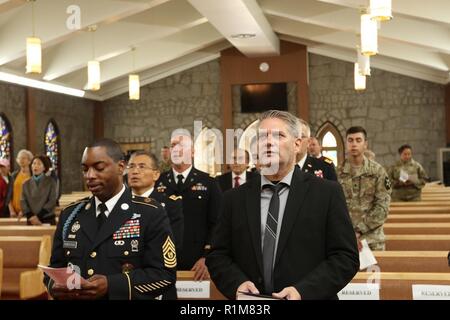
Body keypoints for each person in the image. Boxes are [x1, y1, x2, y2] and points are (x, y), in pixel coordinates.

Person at [206, 110, 359, 300]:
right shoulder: (233, 198)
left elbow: (345, 258)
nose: (268, 142)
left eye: (279, 135)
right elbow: (218, 256)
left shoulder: (326, 193)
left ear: (297, 144)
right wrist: (236, 284)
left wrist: (303, 291)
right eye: (262, 137)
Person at [45, 138, 176, 300]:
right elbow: (55, 268)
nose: (90, 176)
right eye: (85, 169)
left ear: (121, 167)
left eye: (99, 168)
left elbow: (164, 275)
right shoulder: (71, 214)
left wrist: (112, 285)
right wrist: (55, 287)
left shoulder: (150, 212)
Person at [155, 130, 222, 281]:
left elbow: (218, 224)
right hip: (160, 262)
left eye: (182, 145)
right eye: (173, 145)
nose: (176, 149)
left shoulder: (208, 182)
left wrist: (207, 257)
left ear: (192, 152)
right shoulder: (157, 182)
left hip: (197, 263)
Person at [337, 126, 391, 251]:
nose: (354, 144)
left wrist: (359, 230)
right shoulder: (337, 172)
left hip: (372, 240)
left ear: (365, 144)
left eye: (358, 140)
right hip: (344, 239)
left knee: (375, 271)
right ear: (346, 143)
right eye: (350, 140)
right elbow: (332, 207)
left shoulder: (377, 171)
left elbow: (382, 207)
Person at [127, 150, 184, 268]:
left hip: (155, 270)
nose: (135, 171)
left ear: (156, 174)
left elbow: (173, 244)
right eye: (131, 167)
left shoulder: (170, 204)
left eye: (142, 167)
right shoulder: (118, 203)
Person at [21, 155, 57, 225]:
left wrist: (37, 216)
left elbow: (52, 201)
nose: (35, 166)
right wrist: (31, 216)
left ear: (44, 168)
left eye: (39, 164)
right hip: (31, 219)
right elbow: (23, 201)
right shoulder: (25, 184)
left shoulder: (51, 182)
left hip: (47, 218)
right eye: (34, 163)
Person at [7, 149, 33, 219]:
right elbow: (8, 195)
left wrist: (24, 210)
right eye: (19, 158)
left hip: (29, 211)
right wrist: (11, 211)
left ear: (29, 160)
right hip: (14, 212)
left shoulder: (33, 175)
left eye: (24, 158)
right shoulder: (13, 175)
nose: (21, 160)